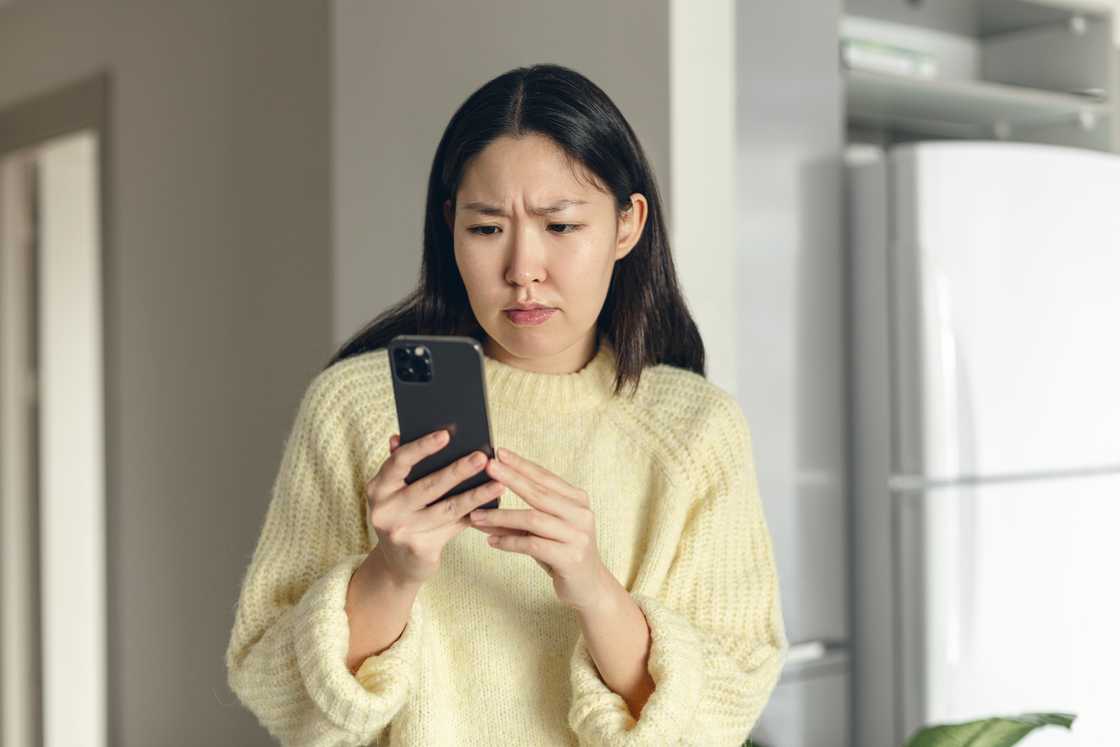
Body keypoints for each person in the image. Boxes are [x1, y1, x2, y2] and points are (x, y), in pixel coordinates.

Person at [224, 62, 787, 746]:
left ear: (626, 226)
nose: (523, 267)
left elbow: (723, 711)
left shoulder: (697, 430)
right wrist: (391, 573)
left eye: (561, 225)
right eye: (487, 228)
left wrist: (593, 585)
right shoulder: (355, 409)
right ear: (450, 227)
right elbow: (271, 684)